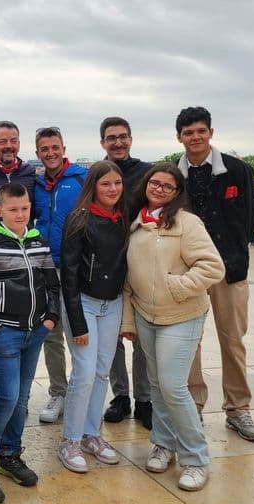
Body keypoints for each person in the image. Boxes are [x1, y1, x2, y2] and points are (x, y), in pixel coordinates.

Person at [121, 162, 224, 492]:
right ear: (146, 185)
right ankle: (163, 443)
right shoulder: (135, 224)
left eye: (168, 186)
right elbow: (127, 279)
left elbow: (213, 267)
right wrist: (128, 320)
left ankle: (195, 458)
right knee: (156, 385)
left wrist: (176, 286)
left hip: (182, 315)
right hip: (145, 315)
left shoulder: (187, 223)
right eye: (155, 183)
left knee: (173, 385)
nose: (160, 189)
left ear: (177, 192)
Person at [0, 182, 60, 504]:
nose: (20, 215)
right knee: (6, 398)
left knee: (21, 398)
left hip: (35, 332)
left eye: (25, 208)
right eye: (13, 209)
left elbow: (52, 284)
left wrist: (50, 318)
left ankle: (10, 455)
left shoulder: (39, 243)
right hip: (4, 333)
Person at [175, 106, 254, 442]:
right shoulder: (174, 175)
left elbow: (249, 217)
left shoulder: (237, 170)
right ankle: (192, 406)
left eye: (201, 131)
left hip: (229, 269)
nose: (195, 137)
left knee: (233, 340)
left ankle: (238, 409)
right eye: (188, 132)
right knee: (188, 342)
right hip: (189, 272)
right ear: (179, 137)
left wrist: (236, 259)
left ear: (210, 133)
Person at [57, 161, 127, 474]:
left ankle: (90, 434)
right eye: (105, 184)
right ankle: (69, 440)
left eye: (117, 183)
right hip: (83, 302)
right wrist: (77, 322)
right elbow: (69, 274)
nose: (112, 189)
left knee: (101, 372)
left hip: (112, 304)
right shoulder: (79, 219)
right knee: (84, 372)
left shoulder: (123, 218)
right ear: (93, 187)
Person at [98, 117, 152, 428]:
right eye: (111, 138)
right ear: (103, 142)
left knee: (142, 336)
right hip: (109, 264)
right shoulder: (97, 173)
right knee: (112, 337)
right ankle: (120, 395)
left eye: (122, 137)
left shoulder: (146, 173)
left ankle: (144, 398)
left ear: (131, 139)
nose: (117, 142)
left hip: (142, 263)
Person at [30, 126, 86, 424]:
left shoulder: (81, 178)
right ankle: (58, 392)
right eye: (44, 149)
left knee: (78, 333)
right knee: (51, 334)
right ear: (37, 153)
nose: (50, 153)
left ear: (63, 149)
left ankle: (80, 393)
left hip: (75, 268)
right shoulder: (36, 185)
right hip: (45, 267)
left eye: (55, 147)